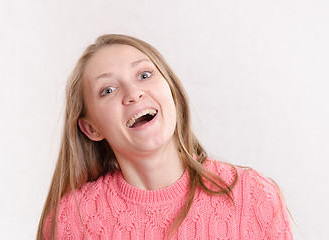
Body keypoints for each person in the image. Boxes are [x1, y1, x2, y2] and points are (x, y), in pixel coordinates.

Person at [37, 34, 293, 239]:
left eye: (144, 75)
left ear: (171, 92)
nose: (133, 93)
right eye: (108, 90)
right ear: (92, 129)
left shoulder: (252, 195)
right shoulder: (71, 220)